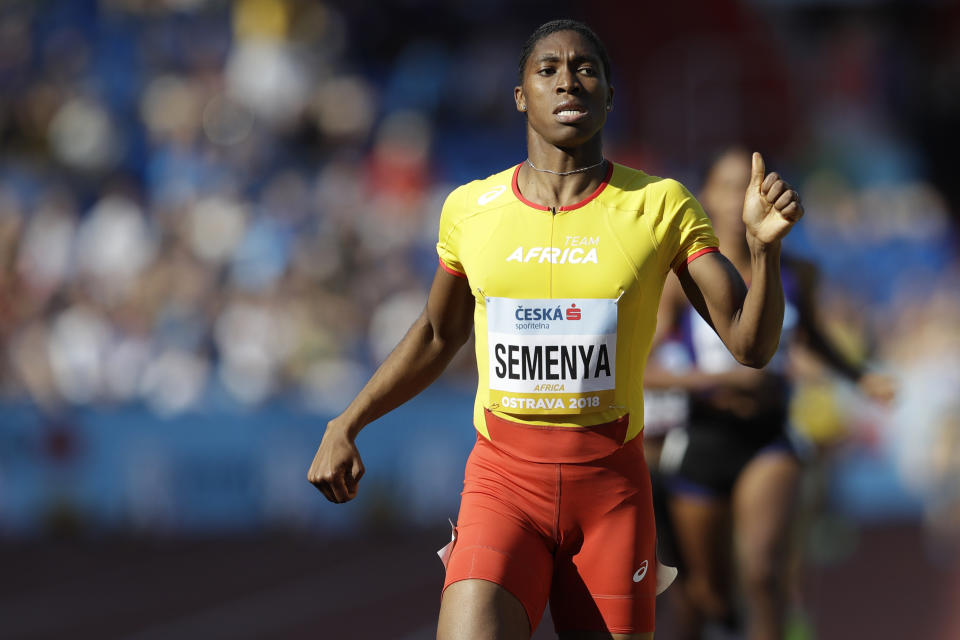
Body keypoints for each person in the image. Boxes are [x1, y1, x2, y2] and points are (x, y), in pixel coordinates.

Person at [307, 20, 804, 640]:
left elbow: (750, 346)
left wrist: (764, 252)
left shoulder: (660, 205)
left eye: (586, 68)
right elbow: (438, 333)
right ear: (520, 94)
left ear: (609, 94)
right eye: (548, 69)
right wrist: (346, 421)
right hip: (502, 483)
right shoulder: (470, 209)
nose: (568, 80)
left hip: (611, 494)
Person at [645, 147, 894, 640]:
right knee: (707, 596)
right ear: (706, 197)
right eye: (727, 185)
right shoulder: (682, 276)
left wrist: (858, 375)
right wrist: (720, 380)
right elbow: (642, 369)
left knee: (763, 572)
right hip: (701, 437)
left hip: (768, 435)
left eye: (750, 185)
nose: (740, 197)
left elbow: (812, 337)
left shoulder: (796, 274)